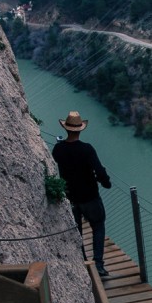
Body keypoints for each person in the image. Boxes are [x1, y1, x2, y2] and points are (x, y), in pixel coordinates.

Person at [52, 111, 112, 276]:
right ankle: (98, 265)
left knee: (77, 231)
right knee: (98, 226)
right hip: (90, 196)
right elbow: (99, 171)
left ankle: (84, 263)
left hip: (71, 198)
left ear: (66, 129)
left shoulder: (58, 149)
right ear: (80, 129)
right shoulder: (87, 149)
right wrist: (106, 183)